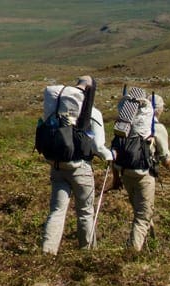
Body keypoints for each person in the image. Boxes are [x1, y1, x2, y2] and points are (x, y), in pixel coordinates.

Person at [41, 76, 114, 255]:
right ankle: (86, 253)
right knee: (85, 212)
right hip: (80, 167)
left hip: (57, 165)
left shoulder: (56, 104)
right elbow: (98, 146)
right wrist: (110, 155)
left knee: (57, 211)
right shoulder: (92, 112)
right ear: (91, 89)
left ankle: (47, 253)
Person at [111, 92, 170, 251]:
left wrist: (116, 177)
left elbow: (115, 151)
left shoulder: (127, 125)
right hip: (144, 175)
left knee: (141, 210)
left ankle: (151, 245)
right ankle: (132, 252)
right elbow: (166, 160)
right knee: (142, 216)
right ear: (157, 110)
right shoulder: (157, 128)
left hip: (125, 173)